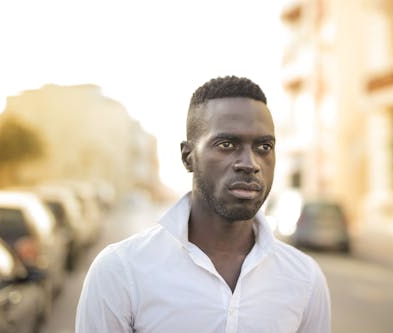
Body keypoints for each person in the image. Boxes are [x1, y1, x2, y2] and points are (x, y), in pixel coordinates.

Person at [75, 76, 331, 332]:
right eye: (227, 144)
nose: (250, 163)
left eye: (264, 146)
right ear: (188, 158)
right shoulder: (121, 271)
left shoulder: (305, 278)